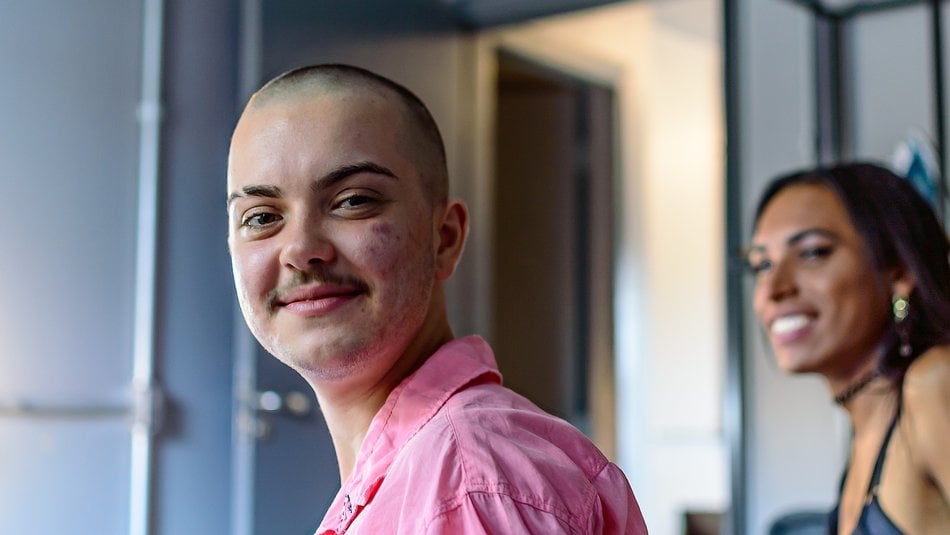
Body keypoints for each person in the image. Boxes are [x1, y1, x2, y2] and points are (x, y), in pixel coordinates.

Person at [226, 63, 647, 534]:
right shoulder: (423, 473)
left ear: (444, 238)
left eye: (353, 201)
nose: (302, 250)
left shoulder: (470, 487)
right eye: (261, 217)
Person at [747, 162, 950, 534]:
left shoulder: (934, 383)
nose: (773, 289)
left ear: (899, 271)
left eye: (812, 252)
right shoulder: (866, 430)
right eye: (761, 265)